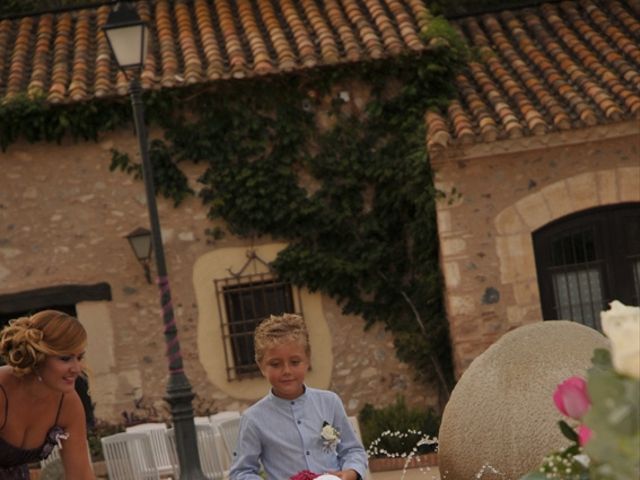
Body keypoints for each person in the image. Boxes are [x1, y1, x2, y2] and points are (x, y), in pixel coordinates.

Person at [230, 313, 368, 480]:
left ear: (307, 360)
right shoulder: (253, 419)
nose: (286, 371)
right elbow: (241, 472)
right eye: (275, 364)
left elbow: (352, 450)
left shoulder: (329, 403)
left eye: (295, 362)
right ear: (261, 366)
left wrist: (350, 473)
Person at [0, 310, 95, 479]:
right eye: (65, 359)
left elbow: (81, 475)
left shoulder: (68, 404)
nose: (76, 369)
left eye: (79, 358)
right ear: (38, 356)